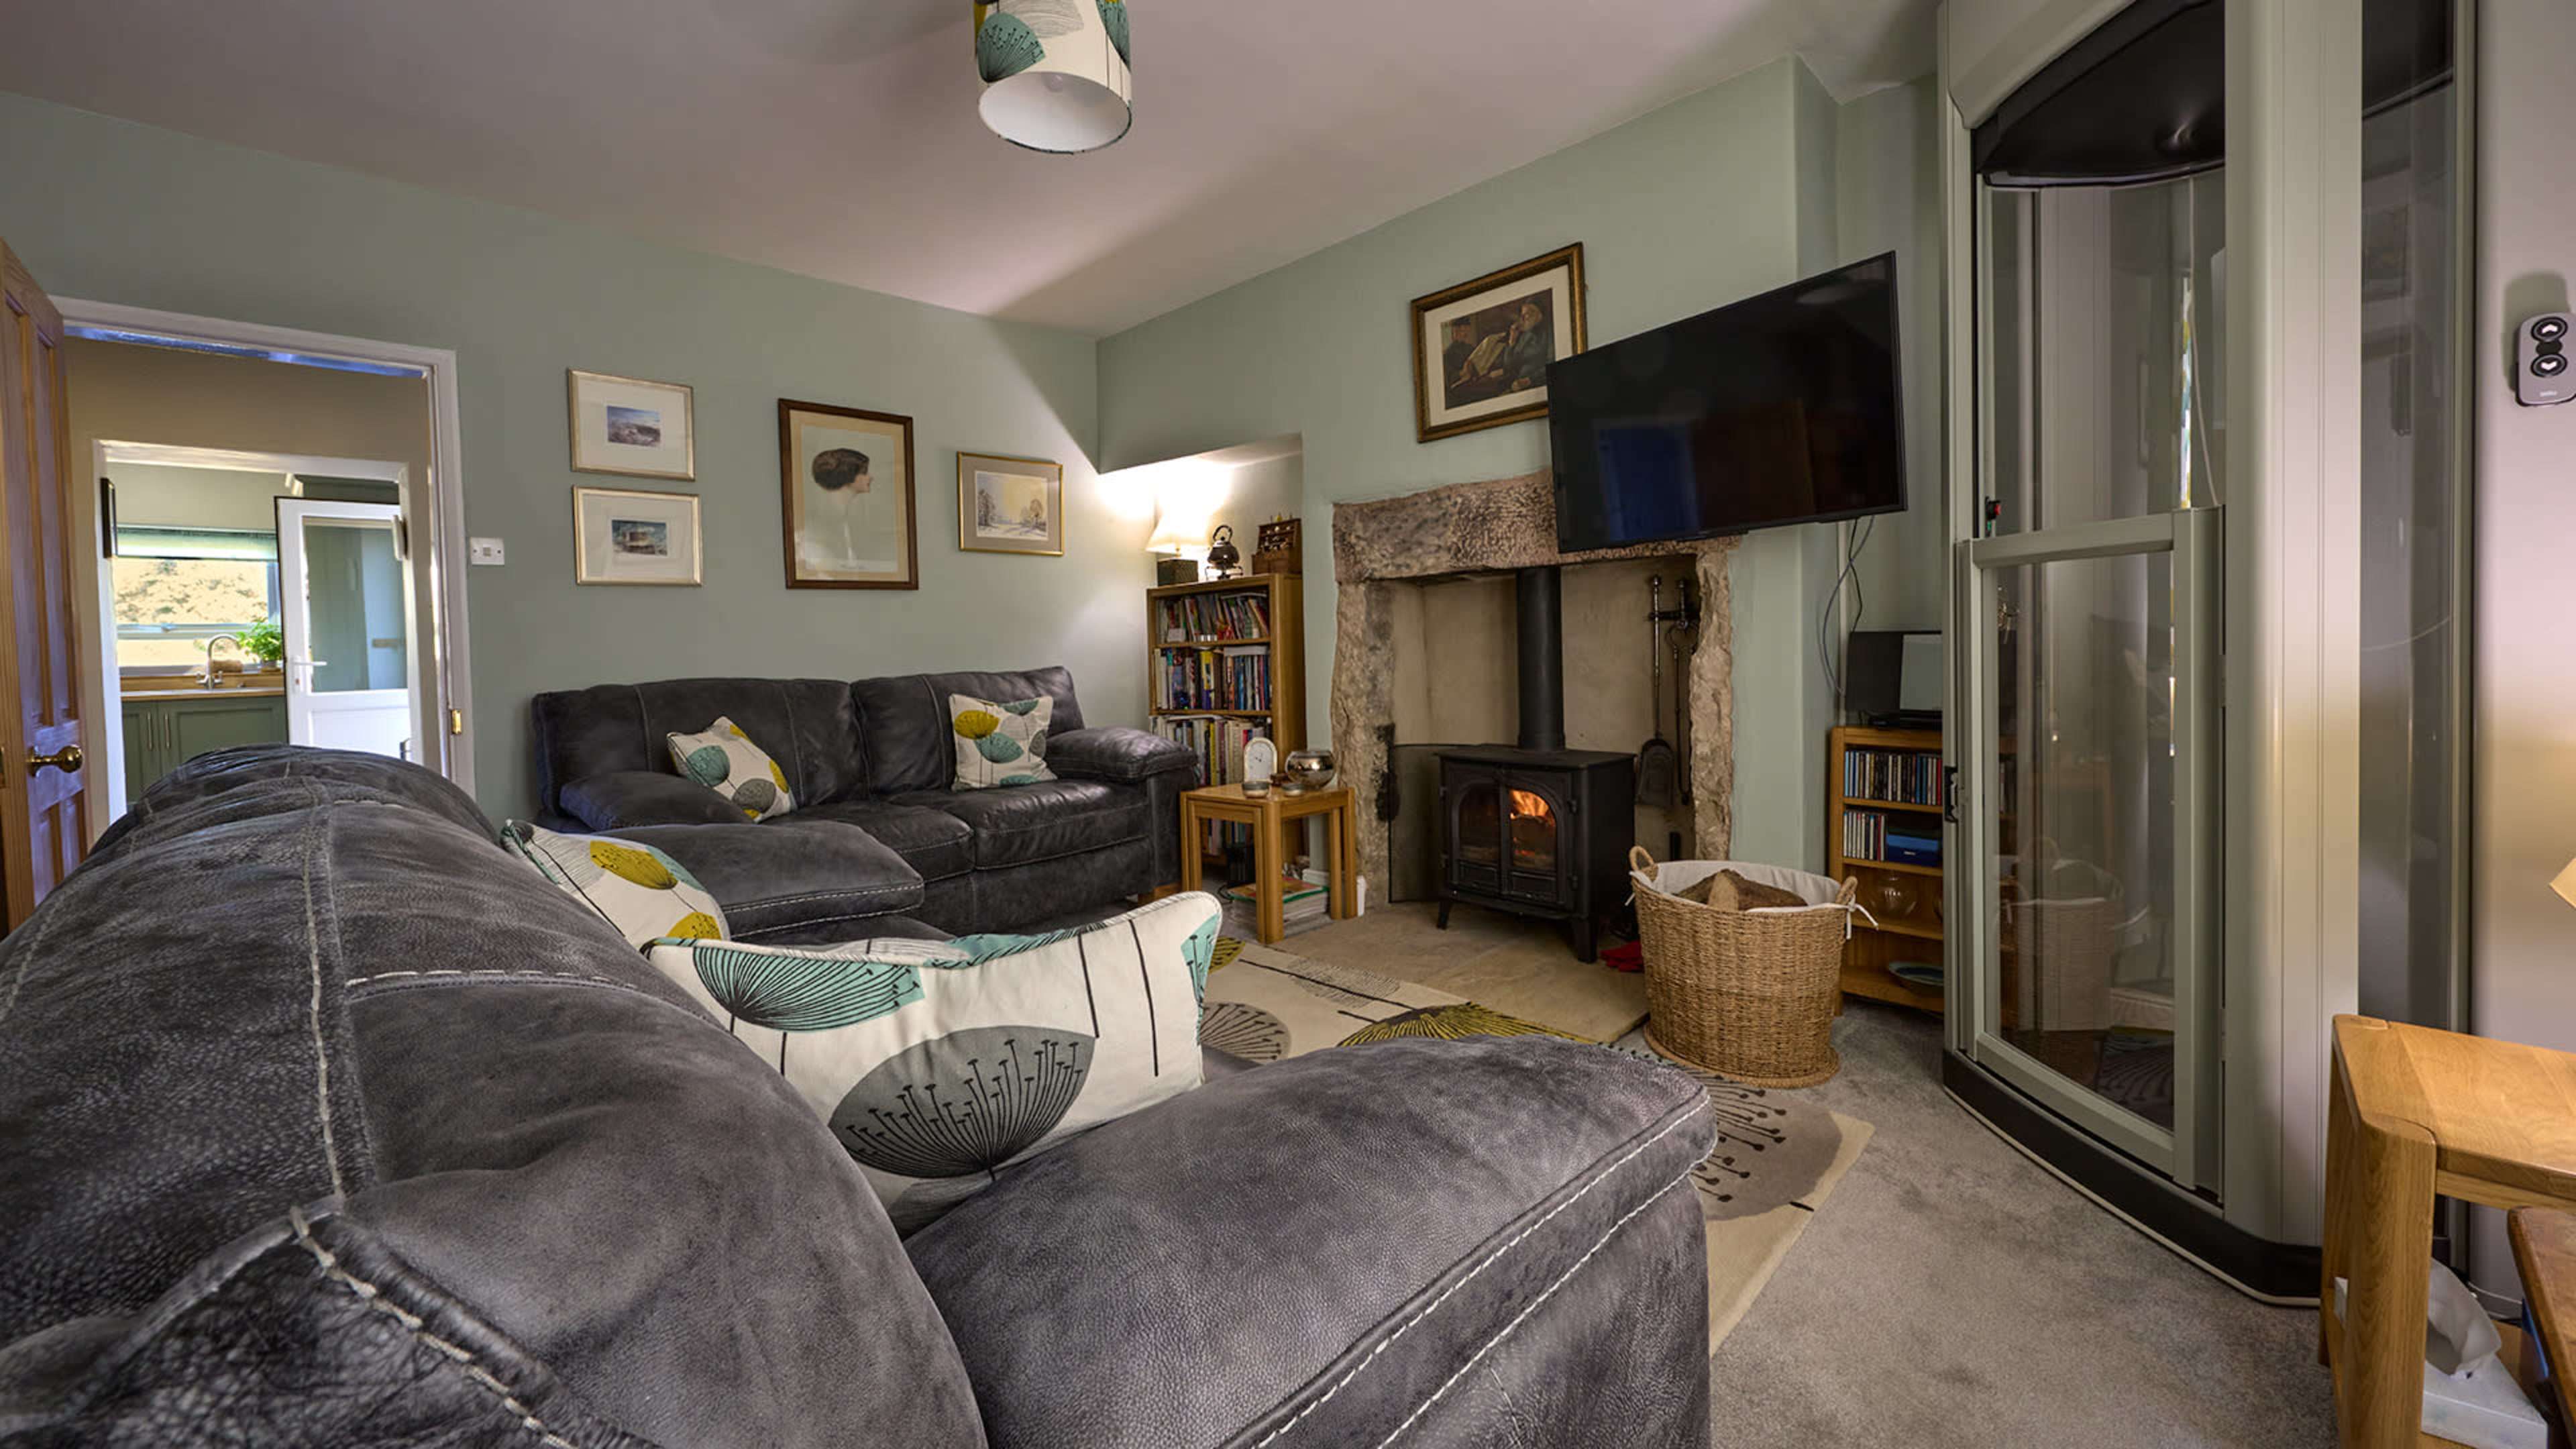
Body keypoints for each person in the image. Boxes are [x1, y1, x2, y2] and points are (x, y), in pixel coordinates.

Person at [808, 447, 871, 570]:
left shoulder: (850, 519)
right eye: (864, 472)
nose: (870, 477)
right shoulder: (824, 521)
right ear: (847, 475)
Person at [1501, 299, 1552, 392]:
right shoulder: (1525, 335)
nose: (1523, 318)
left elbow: (1552, 363)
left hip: (1540, 386)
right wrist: (1512, 342)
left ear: (1539, 315)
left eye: (1527, 314)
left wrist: (1530, 380)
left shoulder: (1549, 332)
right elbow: (1509, 366)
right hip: (1519, 386)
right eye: (1522, 315)